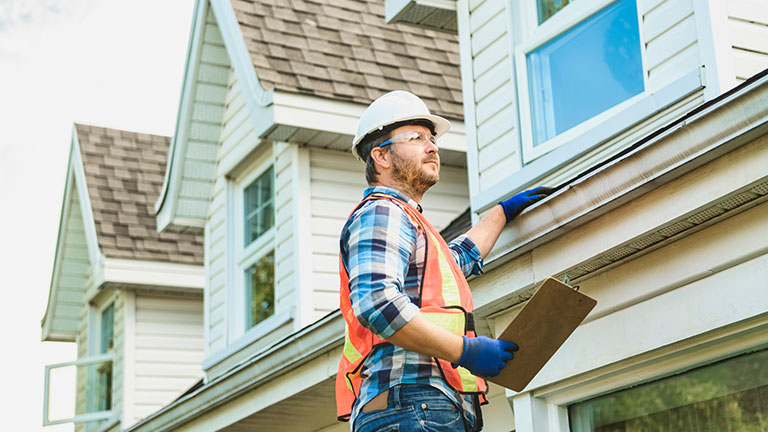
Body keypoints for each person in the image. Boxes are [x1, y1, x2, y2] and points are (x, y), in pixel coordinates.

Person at [336, 90, 552, 432]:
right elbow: (377, 303)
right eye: (416, 137)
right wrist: (466, 351)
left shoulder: (409, 221)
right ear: (382, 156)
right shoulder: (383, 211)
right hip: (411, 404)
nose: (432, 146)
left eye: (432, 137)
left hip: (422, 406)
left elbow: (456, 261)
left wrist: (501, 213)